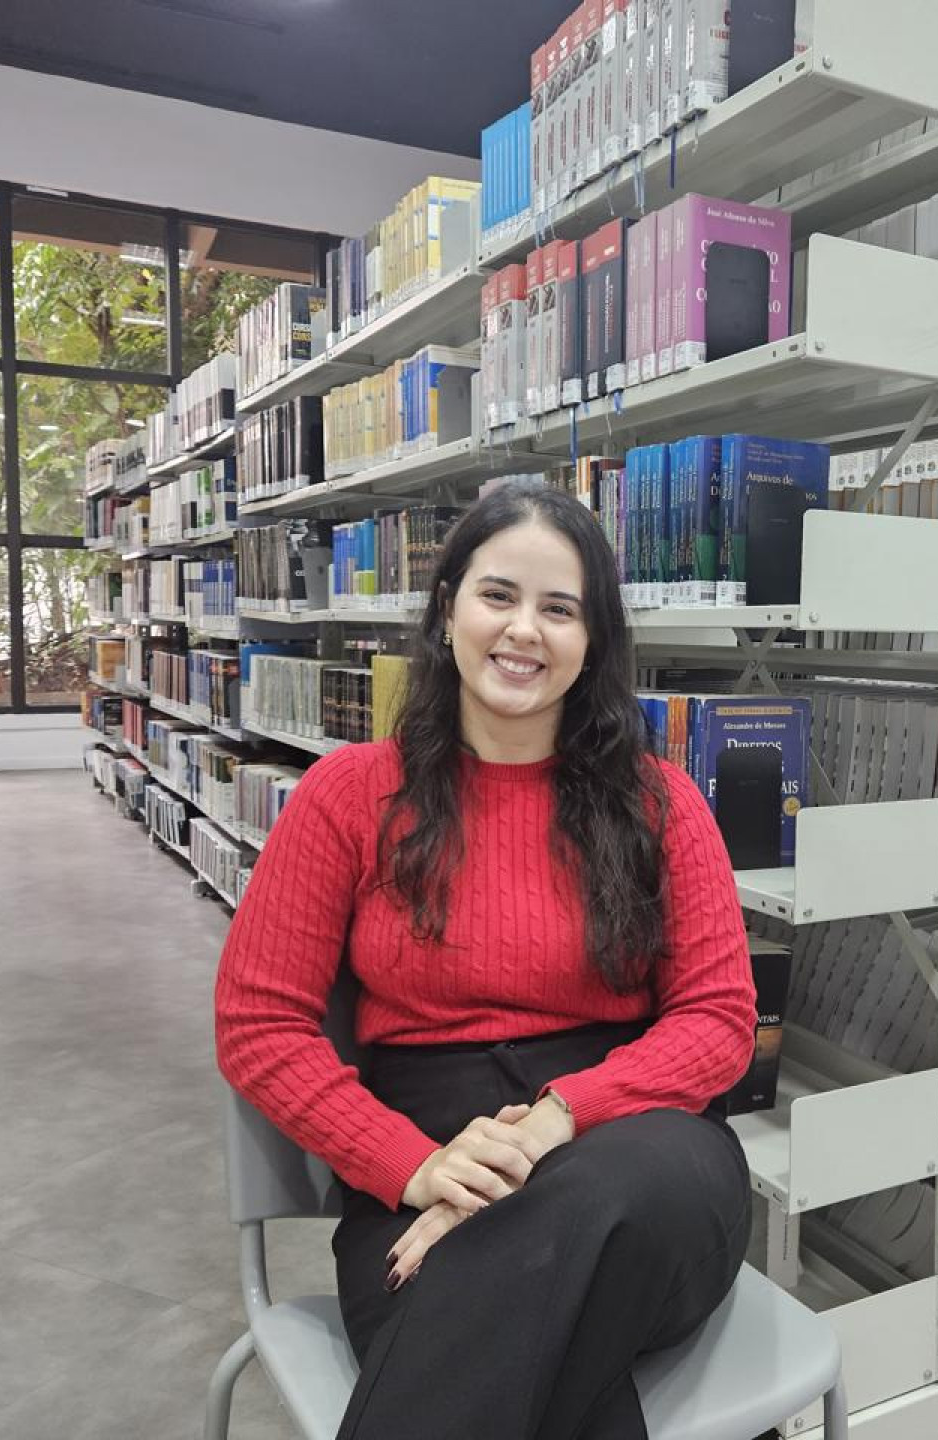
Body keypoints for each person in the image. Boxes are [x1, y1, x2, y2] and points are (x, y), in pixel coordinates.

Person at [215, 484, 759, 1439]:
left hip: (638, 1147)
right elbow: (258, 1026)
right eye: (498, 596)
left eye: (560, 609)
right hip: (430, 1161)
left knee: (609, 1198)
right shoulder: (349, 795)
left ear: (594, 641)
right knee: (553, 1362)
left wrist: (555, 1122)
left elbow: (718, 1023)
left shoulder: (661, 802)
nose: (525, 632)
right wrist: (412, 1166)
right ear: (448, 609)